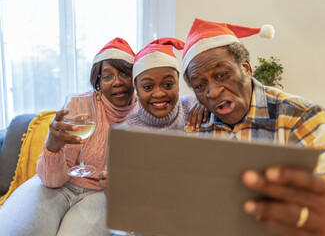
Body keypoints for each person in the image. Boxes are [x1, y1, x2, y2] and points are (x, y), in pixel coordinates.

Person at [182, 18, 325, 235]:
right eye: (200, 86)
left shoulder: (302, 117)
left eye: (221, 75)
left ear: (247, 69)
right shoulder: (196, 124)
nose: (212, 92)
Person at [0, 37, 140, 236]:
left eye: (124, 73)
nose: (117, 82)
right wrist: (53, 146)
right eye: (107, 76)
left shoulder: (143, 115)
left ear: (135, 77)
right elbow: (52, 181)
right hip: (56, 187)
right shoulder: (79, 105)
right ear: (98, 82)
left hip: (101, 195)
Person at [99, 37, 208, 189]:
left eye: (168, 84)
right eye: (148, 87)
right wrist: (111, 188)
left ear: (178, 84)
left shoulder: (195, 108)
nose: (158, 94)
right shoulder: (126, 133)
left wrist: (207, 103)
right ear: (136, 88)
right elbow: (119, 196)